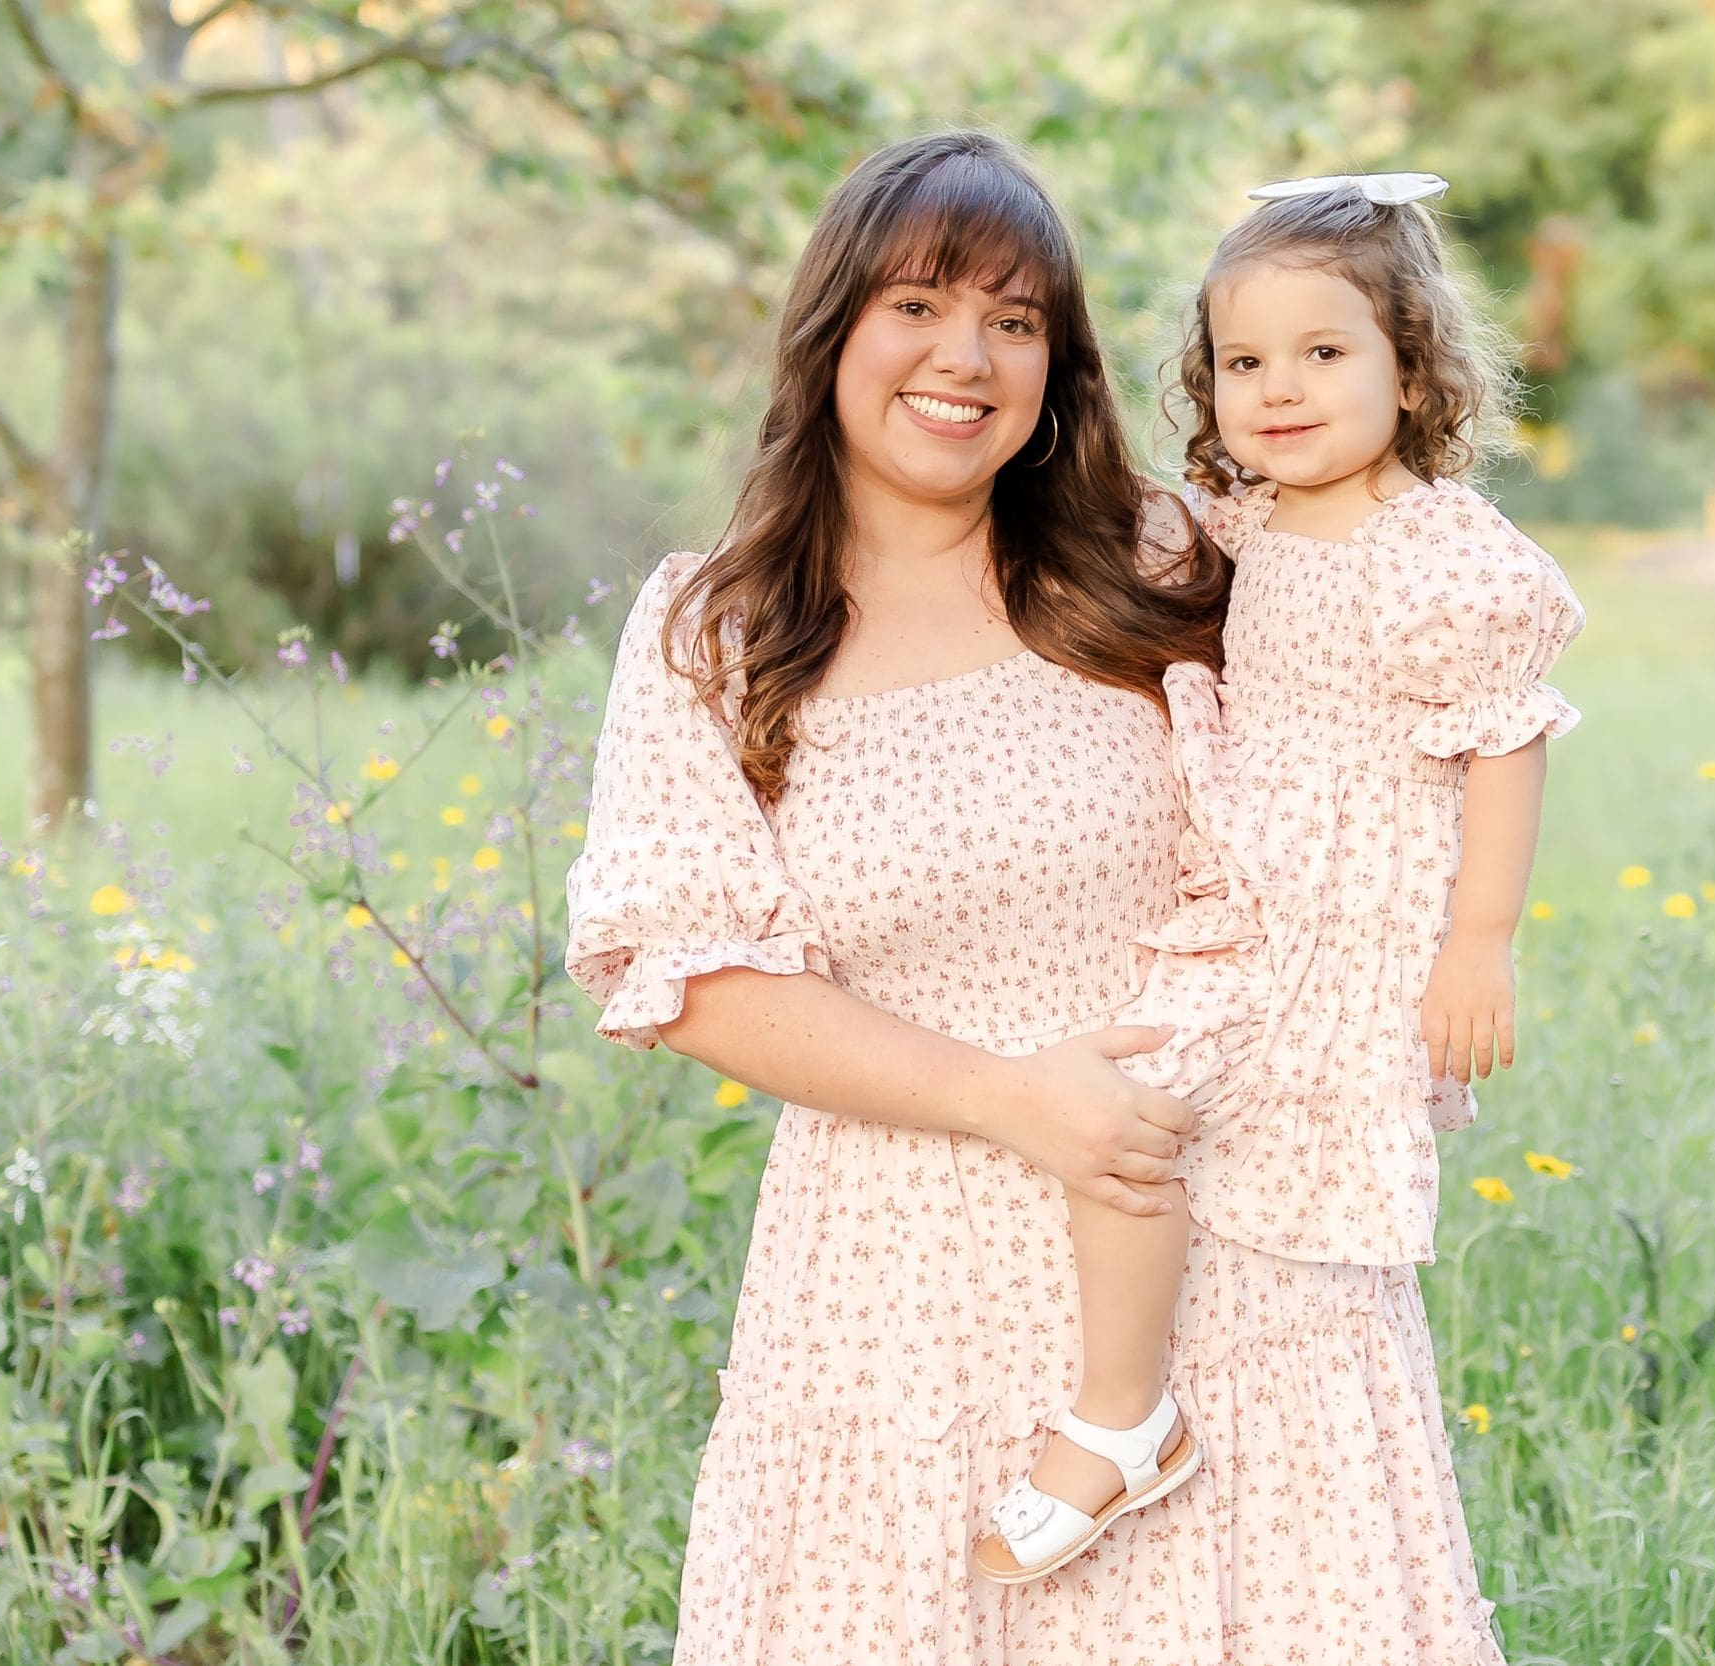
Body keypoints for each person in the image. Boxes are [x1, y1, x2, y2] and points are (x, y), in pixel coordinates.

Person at [565, 131, 1507, 1663]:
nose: (968, 356)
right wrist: (1011, 1096)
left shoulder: (1161, 557)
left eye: (1017, 320)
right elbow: (690, 973)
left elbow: (1421, 638)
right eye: (921, 304)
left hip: (1228, 1248)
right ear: (833, 330)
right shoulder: (717, 627)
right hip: (899, 1291)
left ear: (1060, 364)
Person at [969, 172, 1585, 1587]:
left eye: (1324, 354)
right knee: (1151, 1122)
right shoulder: (1251, 517)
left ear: (1411, 366)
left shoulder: (1433, 552)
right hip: (1249, 890)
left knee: (1141, 1120)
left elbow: (1505, 741)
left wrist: (1479, 942)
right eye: (1245, 362)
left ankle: (1123, 1420)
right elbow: (1130, 520)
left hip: (1347, 919)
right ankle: (1142, 1406)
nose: (1280, 390)